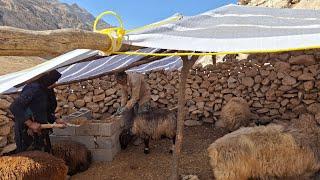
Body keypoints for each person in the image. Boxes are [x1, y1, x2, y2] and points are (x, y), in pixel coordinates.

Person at [9, 70, 66, 153]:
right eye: (54, 80)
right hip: (27, 132)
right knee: (31, 159)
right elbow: (15, 107)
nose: (55, 83)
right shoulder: (33, 88)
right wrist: (30, 124)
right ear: (47, 78)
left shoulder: (45, 89)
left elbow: (43, 110)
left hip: (40, 131)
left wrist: (55, 120)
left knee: (45, 155)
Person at [115, 71, 151, 145]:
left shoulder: (135, 79)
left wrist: (126, 108)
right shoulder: (122, 82)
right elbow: (124, 96)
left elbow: (135, 97)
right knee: (135, 116)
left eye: (121, 82)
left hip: (144, 97)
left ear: (125, 78)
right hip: (135, 98)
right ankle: (135, 133)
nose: (120, 84)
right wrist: (121, 107)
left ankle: (143, 137)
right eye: (119, 83)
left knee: (141, 118)